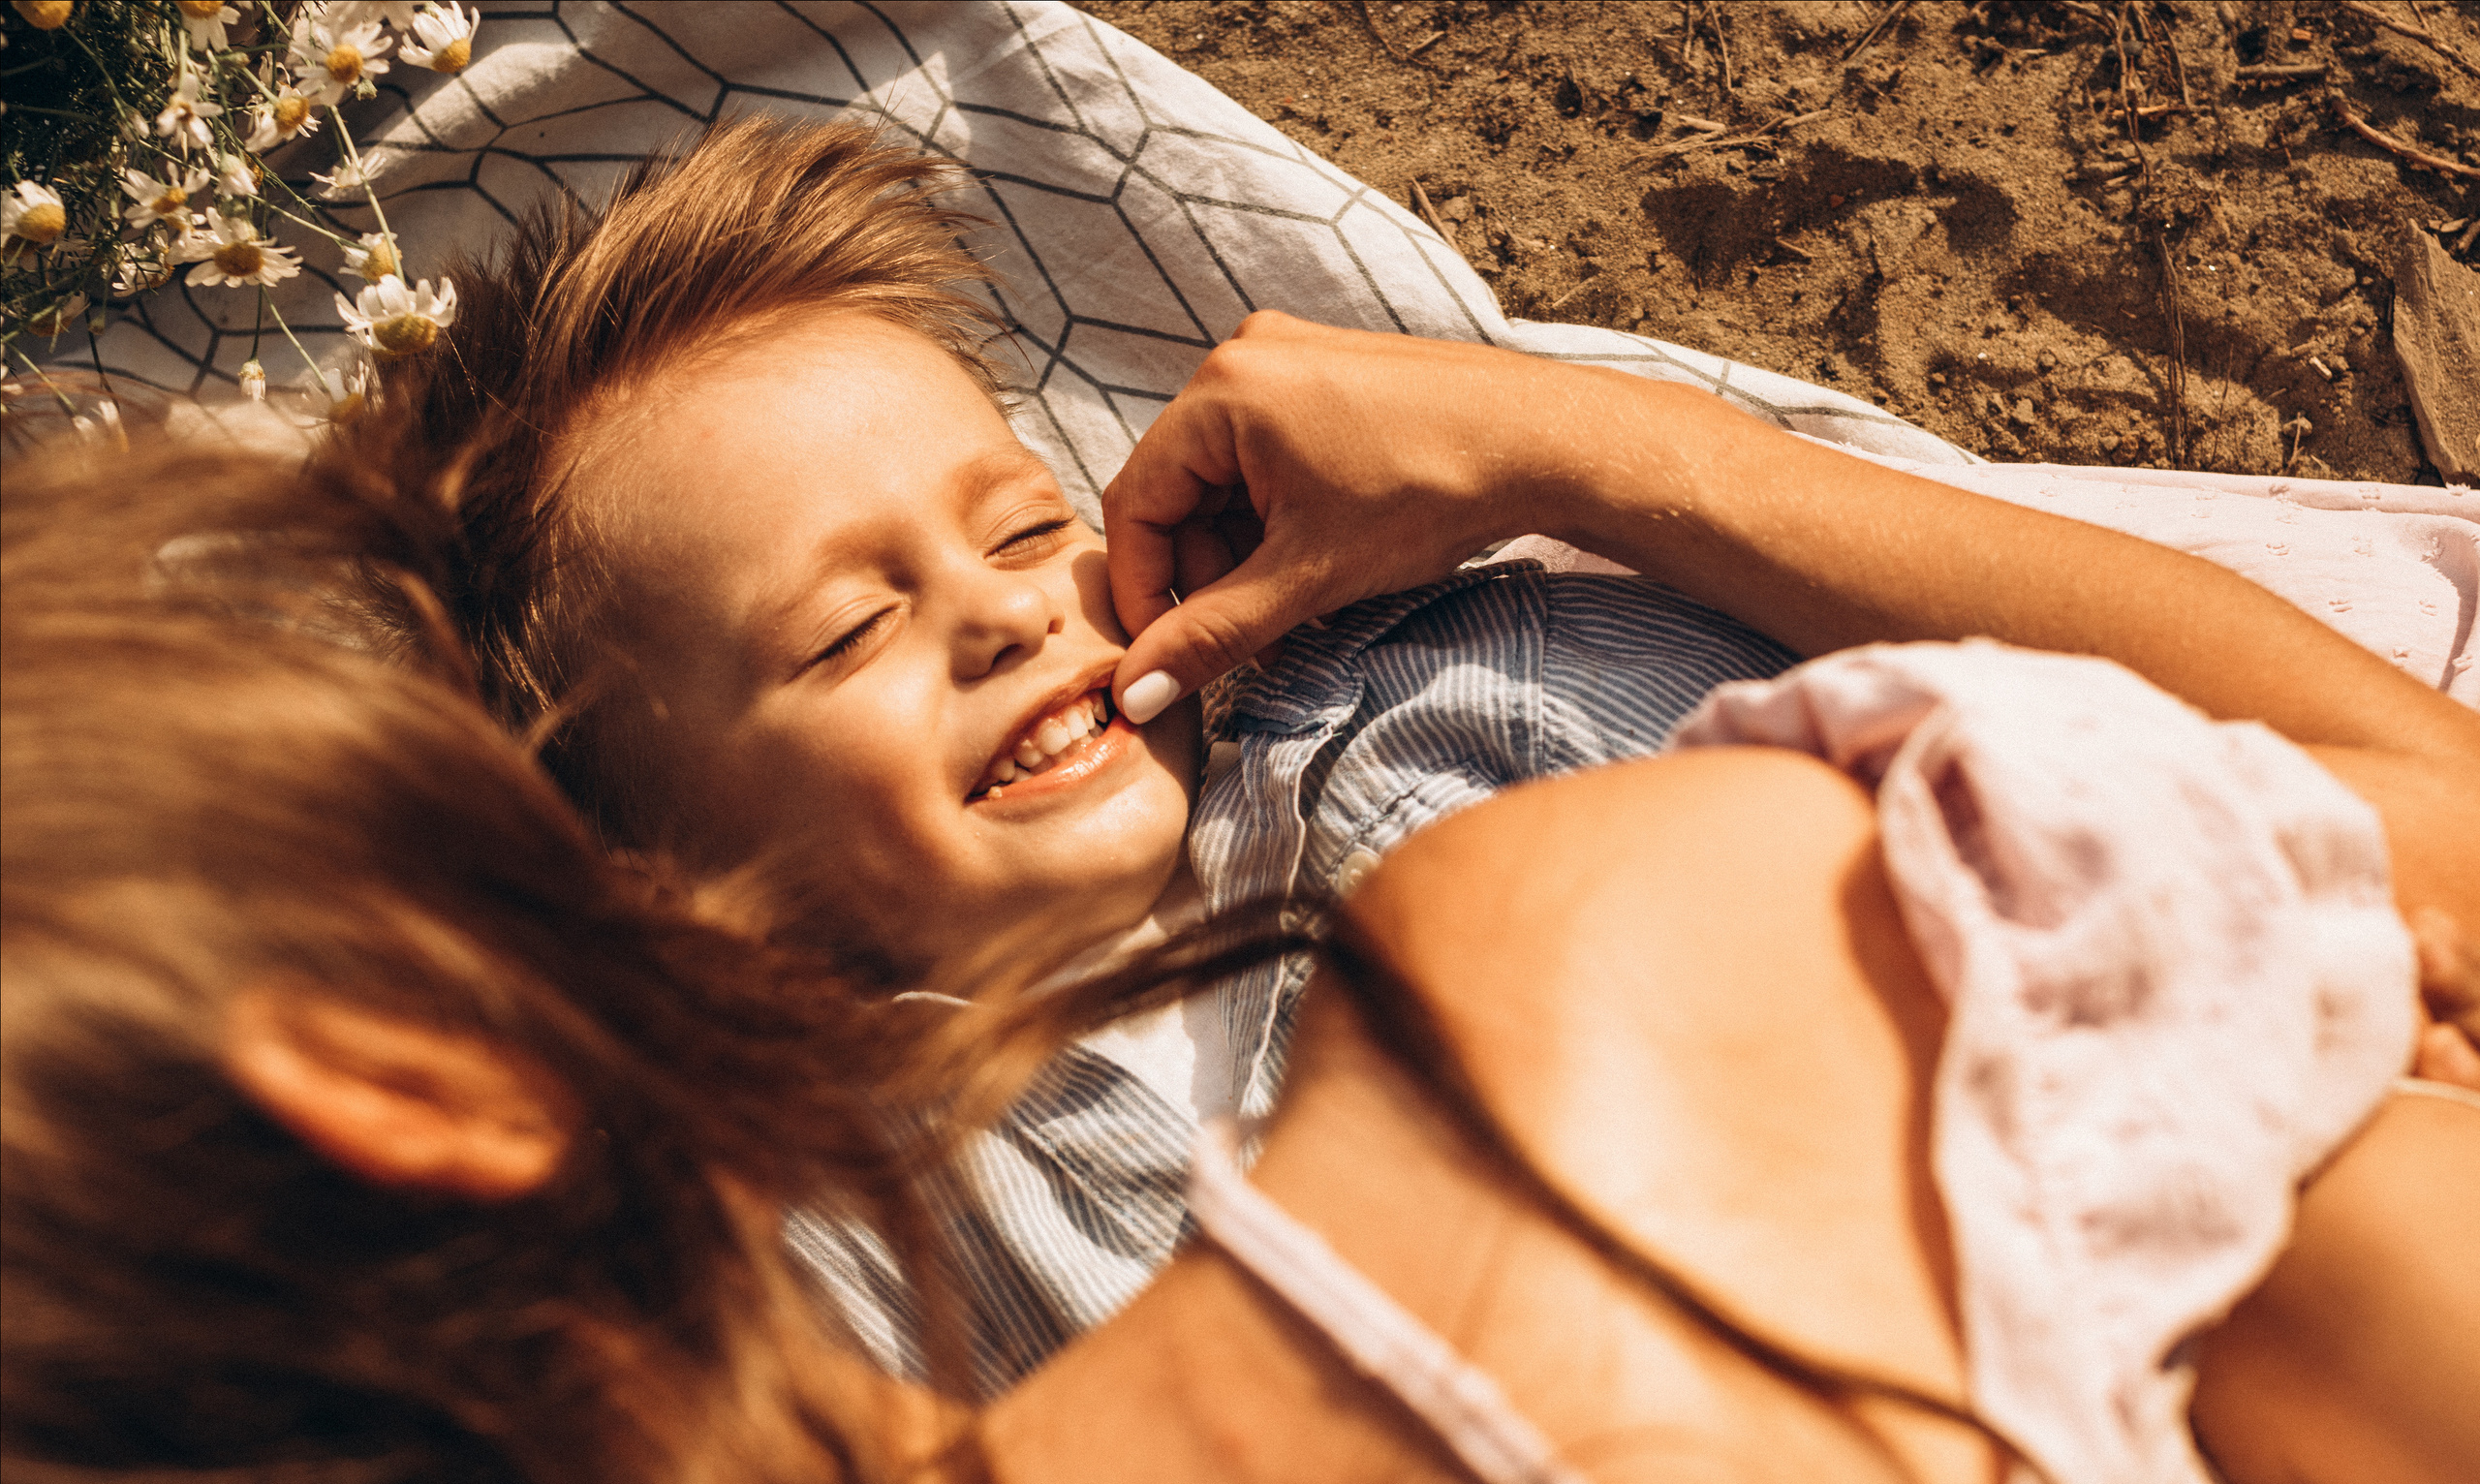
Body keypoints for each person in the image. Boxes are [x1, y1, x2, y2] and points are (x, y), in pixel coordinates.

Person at [6, 437, 2477, 1484]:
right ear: (425, 1074)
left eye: (1011, 516)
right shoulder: (1661, 974)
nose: (1003, 619)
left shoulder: (1491, 756)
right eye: (464, 838)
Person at [357, 113, 2480, 1397]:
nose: (1007, 607)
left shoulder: (1459, 689)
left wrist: (1580, 442)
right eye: (847, 627)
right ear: (649, 861)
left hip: (2209, 1347)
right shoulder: (808, 1227)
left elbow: (2417, 810)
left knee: (2376, 1222)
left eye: (1020, 523)